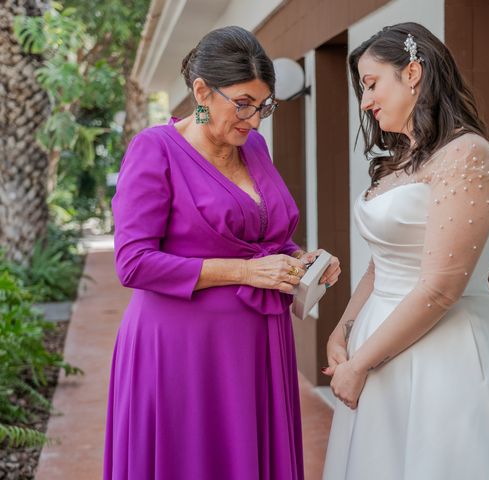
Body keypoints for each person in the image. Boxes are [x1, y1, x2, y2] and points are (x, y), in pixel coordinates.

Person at [322, 22, 489, 479]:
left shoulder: (467, 154)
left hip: (448, 353)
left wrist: (362, 362)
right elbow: (381, 264)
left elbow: (439, 288)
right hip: (380, 347)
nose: (366, 102)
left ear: (412, 72)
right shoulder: (401, 162)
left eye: (371, 84)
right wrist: (343, 331)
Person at [103, 26, 340, 480]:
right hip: (182, 349)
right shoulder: (154, 150)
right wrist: (249, 273)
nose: (253, 120)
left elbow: (262, 236)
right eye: (243, 104)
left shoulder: (254, 146)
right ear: (201, 92)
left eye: (264, 106)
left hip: (257, 345)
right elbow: (132, 263)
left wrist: (300, 259)